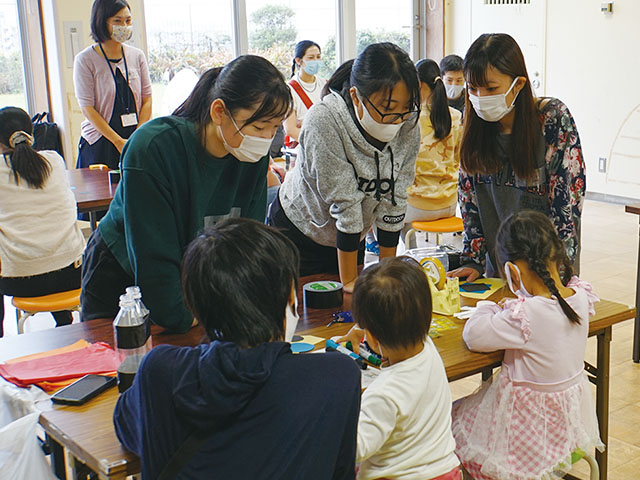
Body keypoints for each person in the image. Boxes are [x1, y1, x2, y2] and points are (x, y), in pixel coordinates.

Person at [113, 218, 361, 479]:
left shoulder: (160, 371)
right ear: (290, 298)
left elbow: (126, 426)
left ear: (195, 306)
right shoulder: (337, 376)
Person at [81, 55, 292, 332]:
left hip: (193, 281)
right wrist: (190, 314)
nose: (265, 139)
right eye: (258, 127)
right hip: (124, 282)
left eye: (274, 128)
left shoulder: (251, 156)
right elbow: (152, 258)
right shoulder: (154, 148)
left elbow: (245, 244)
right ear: (219, 111)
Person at [451, 210, 603, 479]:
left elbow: (474, 336)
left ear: (512, 270)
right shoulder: (580, 297)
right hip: (565, 437)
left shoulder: (526, 315)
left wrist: (486, 306)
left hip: (522, 444)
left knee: (453, 421)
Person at [268, 42, 421, 292]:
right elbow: (345, 204)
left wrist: (388, 275)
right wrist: (348, 281)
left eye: (404, 110)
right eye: (387, 109)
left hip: (349, 238)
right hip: (299, 232)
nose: (397, 120)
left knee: (355, 311)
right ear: (355, 97)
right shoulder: (325, 120)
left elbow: (394, 198)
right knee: (303, 317)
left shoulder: (408, 122)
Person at [448, 33, 585, 282]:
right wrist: (473, 261)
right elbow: (469, 202)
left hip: (548, 277)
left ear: (518, 84)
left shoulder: (551, 120)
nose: (480, 97)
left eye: (491, 88)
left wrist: (557, 275)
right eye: (472, 88)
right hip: (499, 274)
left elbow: (567, 208)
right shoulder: (473, 125)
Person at [337, 257, 461, 480]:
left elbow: (355, 449)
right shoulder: (427, 347)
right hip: (446, 470)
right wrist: (365, 331)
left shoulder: (384, 393)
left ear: (371, 338)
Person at [0, 107, 85, 336]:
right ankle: (64, 321)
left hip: (21, 281)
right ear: (32, 133)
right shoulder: (54, 161)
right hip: (72, 275)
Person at [73, 0, 152, 170]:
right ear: (102, 21)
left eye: (128, 21)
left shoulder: (137, 56)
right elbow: (88, 108)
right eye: (117, 21)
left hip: (134, 140)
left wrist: (138, 136)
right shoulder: (85, 60)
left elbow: (147, 99)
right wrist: (117, 141)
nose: (124, 26)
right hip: (101, 141)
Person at [403, 58, 462, 249]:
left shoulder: (408, 118)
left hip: (417, 206)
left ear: (417, 84)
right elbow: (459, 160)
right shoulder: (455, 116)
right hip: (449, 203)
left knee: (385, 215)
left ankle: (412, 255)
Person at [283, 40, 326, 146]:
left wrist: (305, 122)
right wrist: (315, 144)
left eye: (318, 57)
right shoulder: (290, 89)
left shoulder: (325, 84)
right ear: (299, 61)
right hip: (302, 147)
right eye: (311, 58)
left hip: (325, 143)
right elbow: (291, 129)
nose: (316, 61)